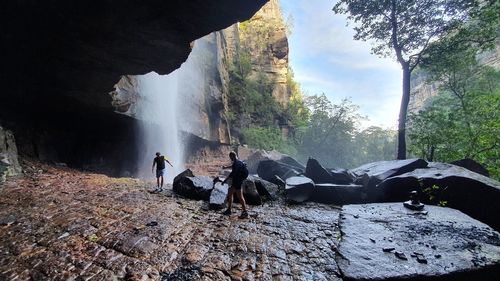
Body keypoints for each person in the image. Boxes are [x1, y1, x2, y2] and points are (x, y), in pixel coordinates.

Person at [222, 151, 249, 218]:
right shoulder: (239, 162)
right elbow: (233, 166)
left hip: (238, 181)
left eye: (230, 157)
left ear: (232, 156)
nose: (230, 158)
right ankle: (229, 209)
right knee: (230, 193)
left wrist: (225, 180)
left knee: (240, 196)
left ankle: (245, 212)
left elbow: (232, 174)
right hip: (237, 180)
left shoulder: (236, 163)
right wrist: (226, 167)